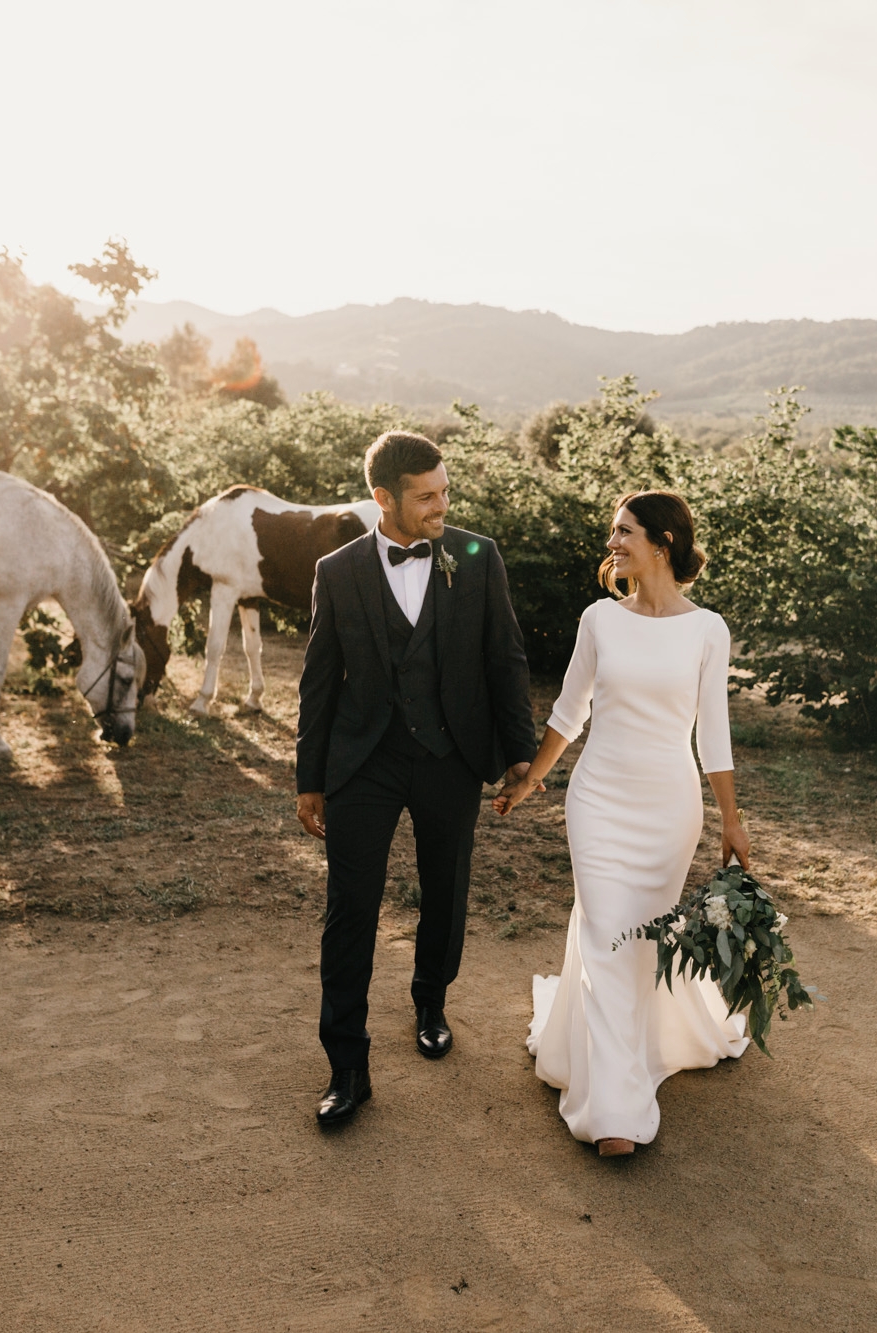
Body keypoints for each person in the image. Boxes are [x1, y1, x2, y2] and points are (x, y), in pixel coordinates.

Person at [493, 490, 750, 1157]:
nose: (612, 544)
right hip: (599, 800)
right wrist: (529, 779)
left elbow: (713, 737)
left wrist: (732, 819)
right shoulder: (599, 620)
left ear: (663, 542)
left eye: (623, 532)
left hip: (668, 808)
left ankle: (630, 1055)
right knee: (608, 931)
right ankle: (614, 1109)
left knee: (640, 943)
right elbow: (568, 712)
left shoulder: (707, 630)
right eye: (612, 533)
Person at [296, 431, 535, 1128]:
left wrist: (520, 750)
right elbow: (317, 682)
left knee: (446, 889)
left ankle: (430, 1000)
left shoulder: (475, 554)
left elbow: (505, 658)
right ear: (384, 498)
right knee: (349, 910)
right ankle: (346, 1066)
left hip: (449, 755)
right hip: (362, 762)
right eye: (426, 496)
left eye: (445, 491)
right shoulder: (337, 571)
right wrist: (310, 777)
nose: (441, 505)